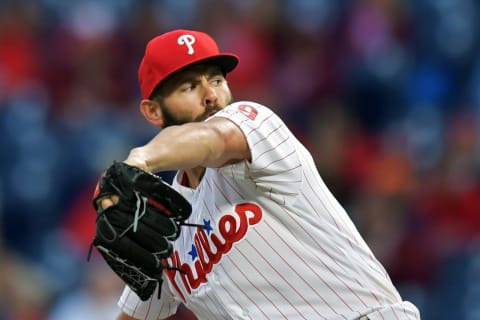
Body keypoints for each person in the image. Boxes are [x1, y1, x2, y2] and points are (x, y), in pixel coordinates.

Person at [98, 29, 421, 320]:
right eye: (189, 86)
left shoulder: (254, 124)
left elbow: (213, 139)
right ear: (153, 111)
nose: (210, 95)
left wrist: (140, 159)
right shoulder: (163, 220)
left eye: (216, 80)